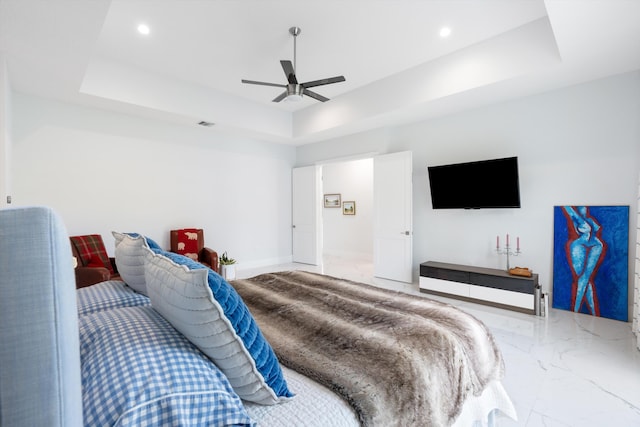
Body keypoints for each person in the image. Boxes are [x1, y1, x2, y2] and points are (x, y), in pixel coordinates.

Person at [562, 206, 604, 315]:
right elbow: (571, 212)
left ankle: (575, 311)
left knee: (583, 279)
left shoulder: (584, 220)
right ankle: (593, 313)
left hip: (594, 246)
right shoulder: (581, 220)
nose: (583, 209)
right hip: (586, 245)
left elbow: (571, 212)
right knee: (585, 280)